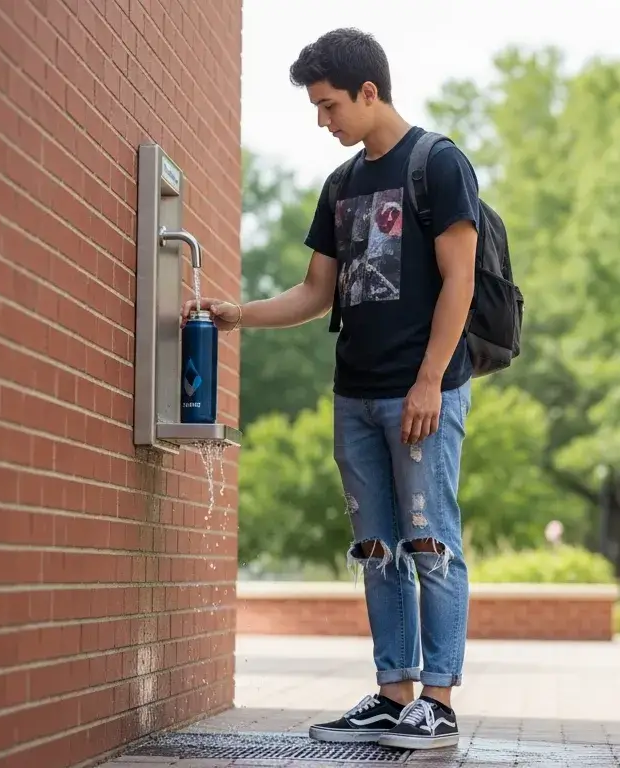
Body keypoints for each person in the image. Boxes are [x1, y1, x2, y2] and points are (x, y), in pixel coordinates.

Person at [185, 27, 477, 751]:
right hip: (356, 394)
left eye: (329, 105)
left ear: (369, 92)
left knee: (430, 541)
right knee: (377, 547)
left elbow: (460, 280)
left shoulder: (436, 165)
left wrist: (430, 382)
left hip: (422, 393)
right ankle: (393, 693)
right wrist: (238, 314)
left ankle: (437, 703)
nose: (323, 121)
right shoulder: (342, 184)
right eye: (317, 109)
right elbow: (318, 289)